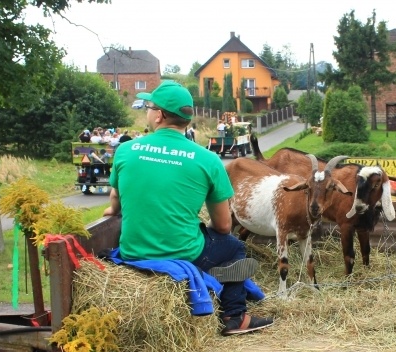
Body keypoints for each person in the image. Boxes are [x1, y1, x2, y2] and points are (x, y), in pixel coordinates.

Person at [103, 80, 272, 336]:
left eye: (148, 107)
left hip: (134, 250)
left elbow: (114, 203)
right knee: (234, 247)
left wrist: (112, 212)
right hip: (184, 251)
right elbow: (224, 225)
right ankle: (234, 316)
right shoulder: (207, 159)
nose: (147, 112)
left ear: (159, 115)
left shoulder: (125, 150)